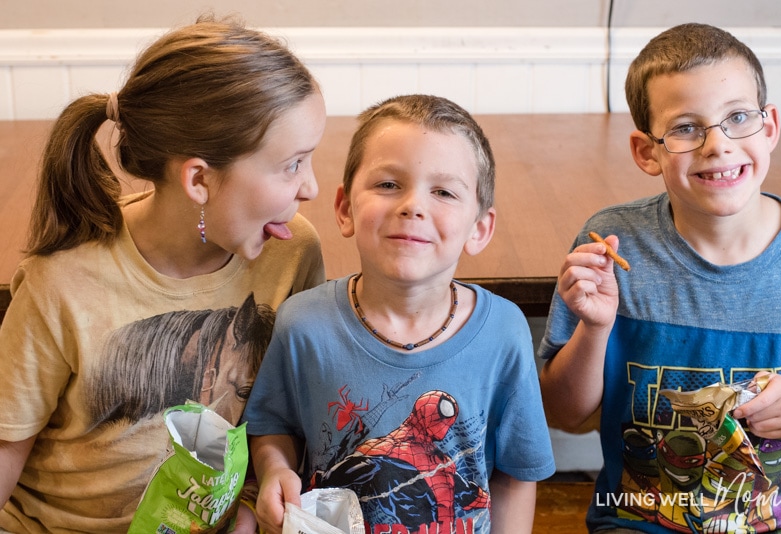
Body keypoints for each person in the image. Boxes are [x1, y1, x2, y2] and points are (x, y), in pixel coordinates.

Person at [0, 15, 327, 533]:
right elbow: (6, 445)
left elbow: (283, 414)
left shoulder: (292, 253)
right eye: (293, 164)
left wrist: (251, 504)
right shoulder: (60, 282)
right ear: (199, 179)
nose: (310, 186)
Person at [243, 94, 555, 534]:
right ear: (345, 208)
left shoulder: (504, 332)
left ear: (480, 228)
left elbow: (515, 474)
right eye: (388, 184)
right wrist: (275, 468)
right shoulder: (303, 325)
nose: (413, 206)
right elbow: (273, 425)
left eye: (444, 191)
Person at [538, 22, 781, 533]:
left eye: (738, 118)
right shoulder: (610, 243)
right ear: (646, 152)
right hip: (636, 521)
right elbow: (564, 414)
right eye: (685, 127)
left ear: (769, 127)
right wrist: (594, 329)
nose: (717, 146)